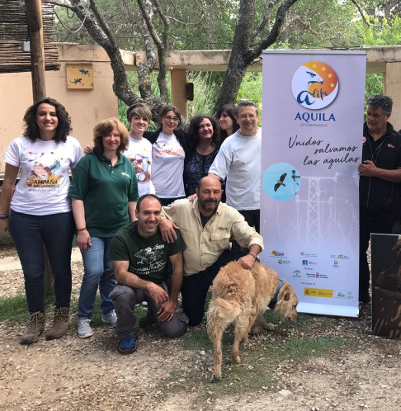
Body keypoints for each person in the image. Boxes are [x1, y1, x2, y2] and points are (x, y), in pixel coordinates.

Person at [0, 98, 83, 344]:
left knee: (61, 267)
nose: (48, 118)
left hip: (59, 215)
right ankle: (35, 319)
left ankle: (61, 316)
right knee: (33, 271)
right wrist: (3, 216)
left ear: (60, 118)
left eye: (53, 114)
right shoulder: (19, 144)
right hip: (24, 217)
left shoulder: (71, 145)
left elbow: (79, 183)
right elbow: (7, 185)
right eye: (42, 114)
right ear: (34, 118)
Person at [159, 175, 264, 326]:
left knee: (252, 262)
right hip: (193, 273)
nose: (211, 197)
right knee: (193, 320)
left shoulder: (229, 213)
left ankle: (253, 308)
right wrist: (163, 220)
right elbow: (158, 212)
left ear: (221, 193)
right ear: (197, 192)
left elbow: (252, 236)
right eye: (206, 192)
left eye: (215, 192)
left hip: (218, 266)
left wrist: (252, 255)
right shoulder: (182, 207)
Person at [69, 118, 138, 339]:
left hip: (118, 230)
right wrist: (81, 229)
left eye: (117, 135)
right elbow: (77, 196)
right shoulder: (88, 162)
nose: (112, 139)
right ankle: (84, 317)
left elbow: (132, 198)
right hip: (92, 230)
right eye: (108, 135)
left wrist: (133, 226)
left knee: (111, 272)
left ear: (122, 139)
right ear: (100, 138)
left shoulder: (126, 164)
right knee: (94, 272)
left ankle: (108, 311)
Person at [109, 194, 188, 354]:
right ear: (136, 213)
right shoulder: (122, 237)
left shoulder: (170, 233)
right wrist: (149, 285)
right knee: (121, 294)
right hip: (133, 286)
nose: (152, 218)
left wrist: (172, 301)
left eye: (156, 213)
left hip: (160, 284)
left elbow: (178, 268)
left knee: (175, 330)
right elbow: (120, 275)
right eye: (146, 213)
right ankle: (127, 332)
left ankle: (154, 312)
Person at [359, 94, 401, 303]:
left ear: (387, 116)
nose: (370, 118)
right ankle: (362, 297)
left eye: (376, 115)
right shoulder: (353, 134)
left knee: (384, 255)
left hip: (386, 209)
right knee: (358, 252)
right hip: (358, 208)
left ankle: (383, 299)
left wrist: (376, 172)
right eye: (368, 113)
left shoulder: (398, 140)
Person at [209, 100, 262, 231]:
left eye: (251, 115)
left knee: (267, 246)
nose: (247, 119)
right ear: (237, 119)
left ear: (257, 117)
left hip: (265, 205)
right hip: (238, 206)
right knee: (240, 249)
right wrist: (206, 189)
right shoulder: (229, 143)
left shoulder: (270, 137)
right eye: (243, 116)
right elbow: (216, 173)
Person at [145, 105, 186, 206]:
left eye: (175, 118)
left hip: (178, 194)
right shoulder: (150, 138)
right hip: (157, 193)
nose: (171, 121)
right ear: (161, 119)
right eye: (168, 117)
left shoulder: (183, 139)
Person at [183, 114, 221, 197]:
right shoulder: (189, 151)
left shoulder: (220, 150)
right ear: (196, 130)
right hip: (191, 201)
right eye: (201, 126)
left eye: (208, 125)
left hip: (215, 200)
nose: (206, 129)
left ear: (213, 127)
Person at [124, 103, 155, 197]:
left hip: (146, 195)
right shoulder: (121, 142)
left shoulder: (148, 144)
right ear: (130, 121)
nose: (141, 122)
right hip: (127, 196)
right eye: (137, 118)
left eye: (145, 119)